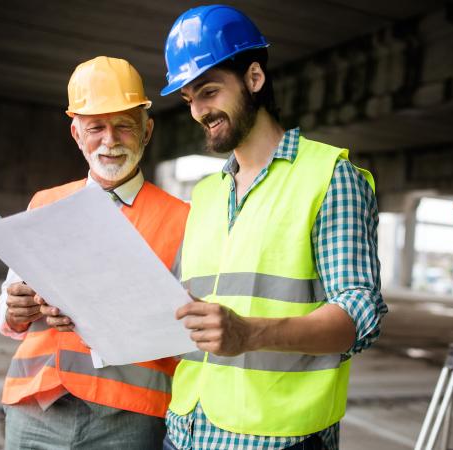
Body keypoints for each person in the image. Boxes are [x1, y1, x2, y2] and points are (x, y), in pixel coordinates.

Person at [158, 5, 387, 450]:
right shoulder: (206, 194)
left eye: (209, 91)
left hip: (276, 438)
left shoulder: (329, 177)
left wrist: (250, 333)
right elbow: (181, 309)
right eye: (190, 100)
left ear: (255, 78)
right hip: (186, 430)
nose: (200, 111)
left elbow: (361, 313)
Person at [0, 56, 189, 449]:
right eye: (96, 127)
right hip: (36, 408)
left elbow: (190, 329)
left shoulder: (185, 219)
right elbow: (7, 305)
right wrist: (14, 311)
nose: (110, 141)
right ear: (76, 134)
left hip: (129, 418)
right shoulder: (45, 203)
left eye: (124, 127)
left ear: (147, 130)